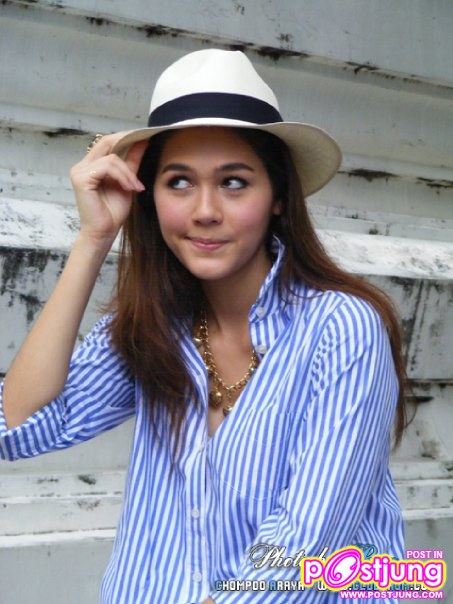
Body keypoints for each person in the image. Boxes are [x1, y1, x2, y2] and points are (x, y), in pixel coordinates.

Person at [0, 49, 408, 603]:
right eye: (178, 182)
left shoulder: (342, 328)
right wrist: (93, 239)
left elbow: (302, 549)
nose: (205, 210)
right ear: (149, 197)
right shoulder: (154, 327)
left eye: (234, 182)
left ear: (279, 197)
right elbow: (18, 425)